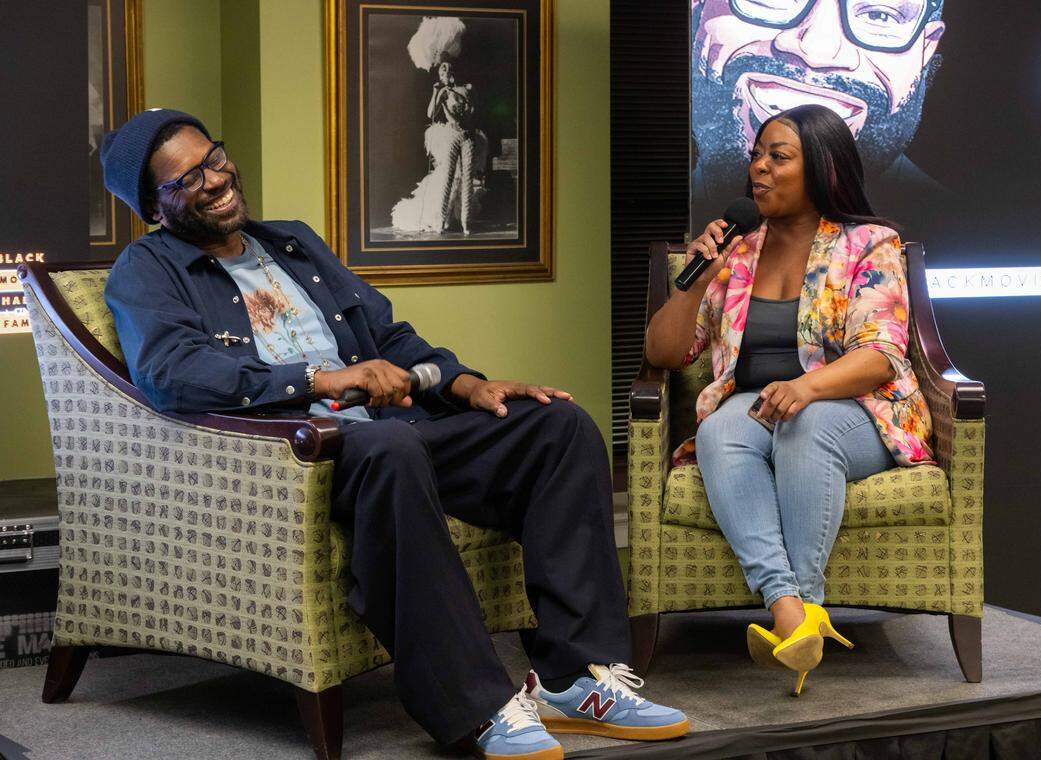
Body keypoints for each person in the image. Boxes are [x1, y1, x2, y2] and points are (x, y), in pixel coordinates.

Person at [99, 108, 687, 760]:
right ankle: (477, 708)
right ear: (154, 206)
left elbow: (386, 335)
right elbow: (172, 374)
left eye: (214, 158)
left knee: (558, 427)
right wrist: (322, 380)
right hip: (292, 455)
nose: (214, 179)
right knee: (391, 448)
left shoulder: (290, 244)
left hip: (389, 437)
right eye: (187, 180)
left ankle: (579, 679)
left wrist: (467, 386)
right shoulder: (146, 271)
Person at [645, 103, 934, 695]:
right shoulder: (738, 252)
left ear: (822, 167)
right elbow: (666, 353)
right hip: (754, 408)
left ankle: (802, 599)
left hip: (855, 411)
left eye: (779, 157)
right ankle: (792, 612)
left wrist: (806, 387)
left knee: (809, 425)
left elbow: (881, 353)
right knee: (721, 429)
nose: (760, 169)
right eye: (757, 156)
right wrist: (699, 276)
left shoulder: (869, 243)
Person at [690, 0, 948, 232]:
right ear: (696, 7)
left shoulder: (876, 254)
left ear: (926, 46)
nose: (816, 51)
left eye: (880, 15)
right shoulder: (735, 250)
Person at [391, 60, 488, 235]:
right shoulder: (443, 91)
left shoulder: (466, 89)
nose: (447, 72)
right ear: (441, 75)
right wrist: (437, 94)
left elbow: (474, 110)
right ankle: (441, 221)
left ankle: (466, 222)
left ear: (454, 71)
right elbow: (431, 114)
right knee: (447, 178)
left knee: (467, 179)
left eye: (449, 69)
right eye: (443, 70)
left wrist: (465, 98)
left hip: (469, 136)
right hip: (451, 135)